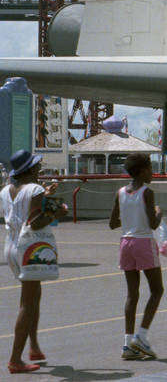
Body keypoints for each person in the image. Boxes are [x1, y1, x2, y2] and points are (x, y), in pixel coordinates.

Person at [2, 150, 66, 374]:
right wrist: (58, 211)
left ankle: (34, 347)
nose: (39, 169)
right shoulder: (36, 189)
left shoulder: (5, 191)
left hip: (10, 247)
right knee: (27, 304)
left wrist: (45, 197)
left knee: (33, 295)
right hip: (28, 248)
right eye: (36, 166)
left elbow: (23, 210)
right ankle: (15, 359)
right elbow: (36, 221)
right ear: (29, 169)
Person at [109, 153, 164, 361]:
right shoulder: (147, 192)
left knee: (132, 295)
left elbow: (113, 223)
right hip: (143, 242)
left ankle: (127, 344)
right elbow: (153, 224)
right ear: (142, 171)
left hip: (126, 243)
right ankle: (141, 336)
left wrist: (129, 215)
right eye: (150, 168)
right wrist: (159, 212)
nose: (152, 172)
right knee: (157, 290)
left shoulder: (121, 192)